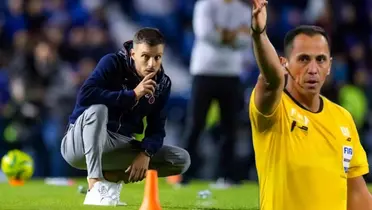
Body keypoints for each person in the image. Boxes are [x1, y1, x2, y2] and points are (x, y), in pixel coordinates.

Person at [248, 1, 372, 210]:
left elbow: (357, 193)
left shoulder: (343, 118)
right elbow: (272, 79)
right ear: (285, 63)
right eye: (304, 59)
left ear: (330, 66)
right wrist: (259, 35)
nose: (313, 69)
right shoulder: (275, 110)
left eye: (321, 59)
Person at [60, 27, 190, 206]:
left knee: (180, 159)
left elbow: (157, 128)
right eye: (145, 56)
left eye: (157, 57)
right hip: (79, 142)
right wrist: (133, 95)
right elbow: (86, 95)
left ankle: (111, 180)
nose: (151, 64)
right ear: (133, 54)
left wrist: (146, 152)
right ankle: (94, 185)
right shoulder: (112, 62)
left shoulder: (162, 84)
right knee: (98, 110)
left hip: (116, 145)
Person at [181, 0, 251, 187]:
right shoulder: (205, 5)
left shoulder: (244, 10)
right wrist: (235, 33)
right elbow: (205, 34)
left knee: (230, 127)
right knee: (195, 124)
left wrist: (222, 32)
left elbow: (247, 41)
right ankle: (184, 175)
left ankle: (226, 176)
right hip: (203, 71)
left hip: (232, 74)